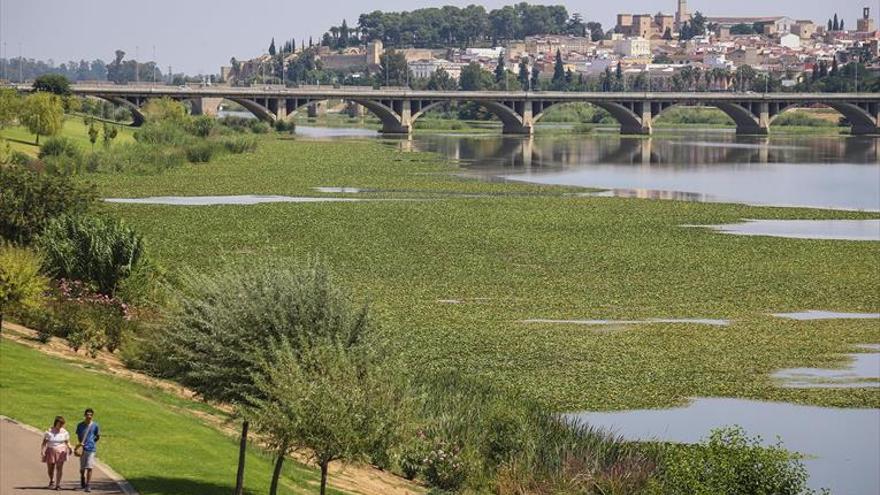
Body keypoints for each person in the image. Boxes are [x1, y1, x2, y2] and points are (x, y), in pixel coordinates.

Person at [40, 416, 73, 491]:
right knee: (50, 468)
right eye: (60, 423)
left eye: (62, 424)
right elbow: (44, 443)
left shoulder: (64, 432)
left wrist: (70, 448)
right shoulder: (49, 431)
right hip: (50, 451)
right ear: (56, 423)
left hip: (61, 451)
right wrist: (42, 451)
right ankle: (52, 480)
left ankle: (58, 485)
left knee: (59, 468)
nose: (61, 425)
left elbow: (67, 441)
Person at [75, 408, 100, 493]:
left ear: (92, 416)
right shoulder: (80, 425)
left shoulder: (95, 425)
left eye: (91, 415)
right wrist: (80, 445)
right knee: (82, 468)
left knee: (89, 467)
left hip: (91, 449)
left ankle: (88, 485)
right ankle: (82, 477)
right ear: (85, 415)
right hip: (83, 449)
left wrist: (92, 442)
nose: (89, 416)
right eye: (87, 414)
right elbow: (78, 436)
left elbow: (97, 436)